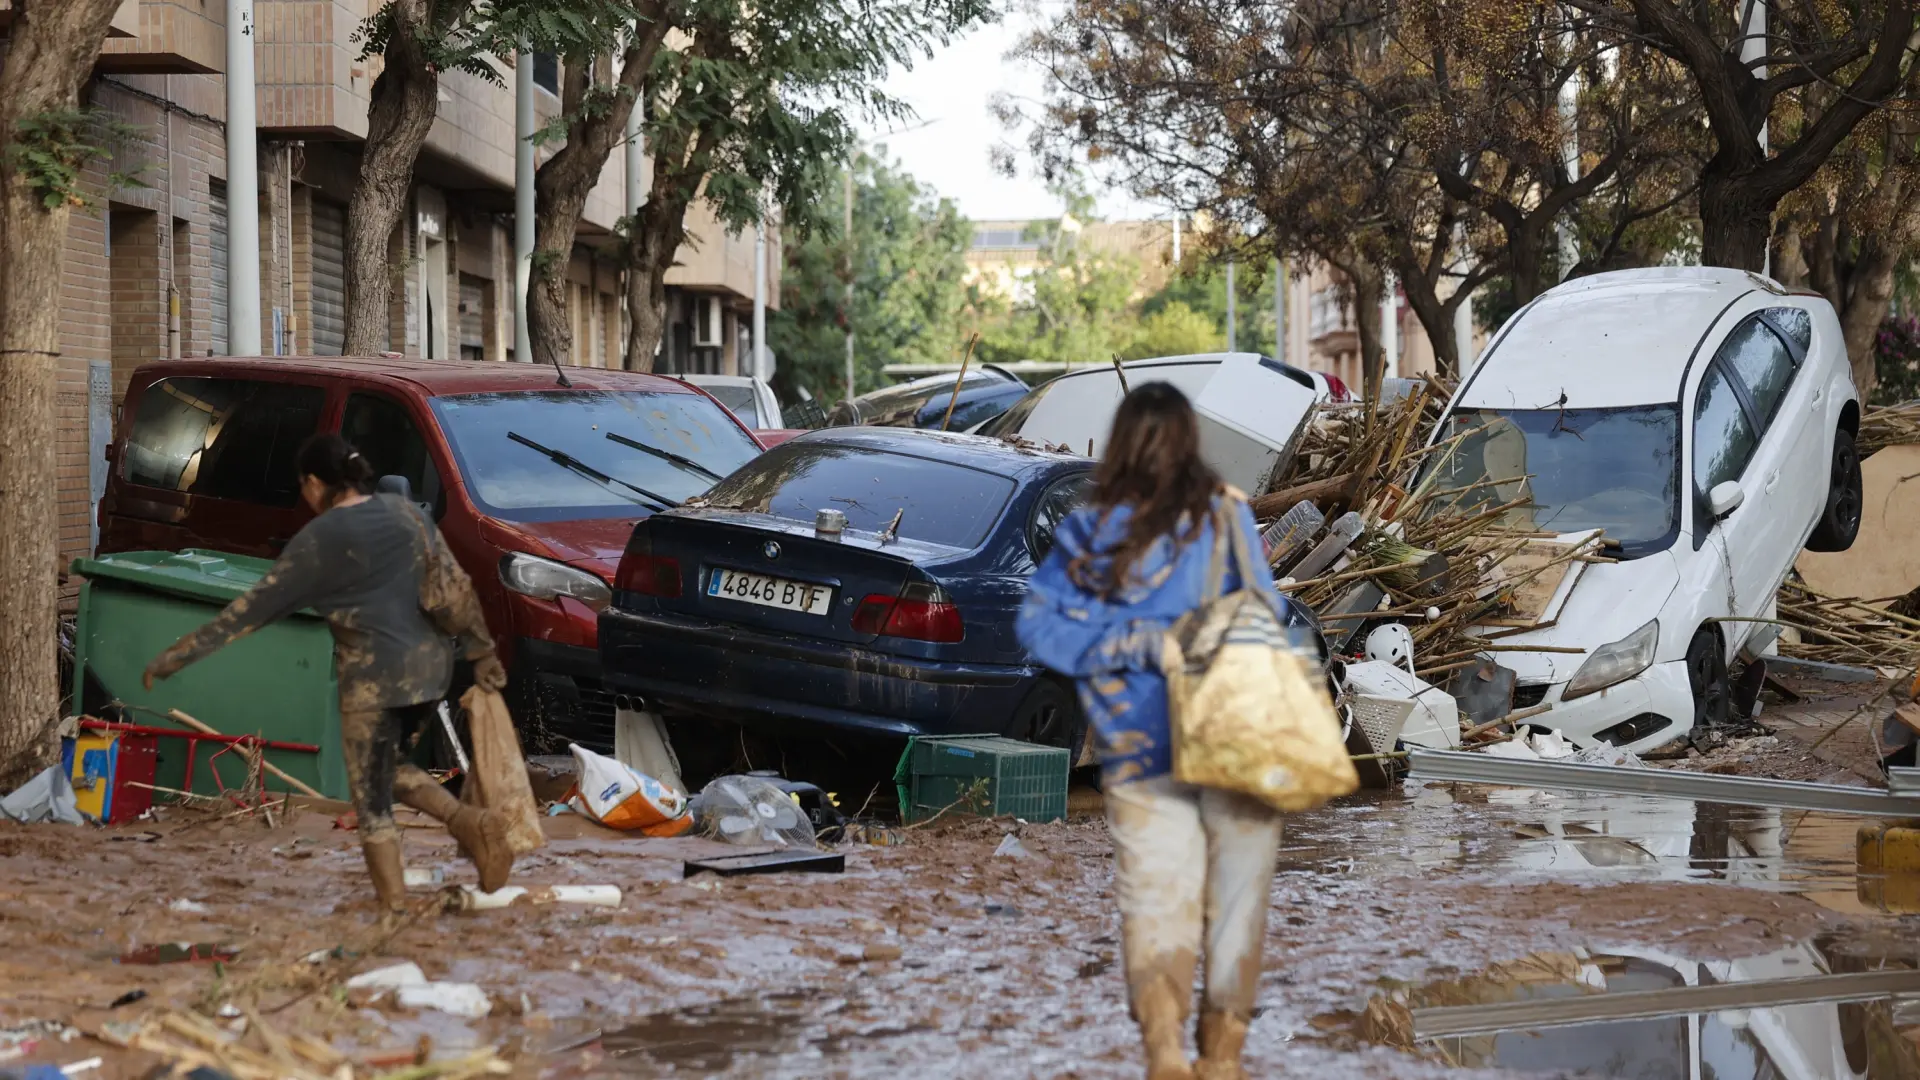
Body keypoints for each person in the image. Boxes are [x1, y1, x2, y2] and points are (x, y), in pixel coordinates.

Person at [1017, 383, 1285, 1080]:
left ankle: (1167, 1053)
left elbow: (1042, 628)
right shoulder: (1227, 515)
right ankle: (1219, 1060)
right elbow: (1269, 612)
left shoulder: (1095, 526)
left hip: (1139, 752)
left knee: (1160, 906)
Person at [143, 434, 515, 918]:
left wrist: (176, 656)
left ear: (317, 484)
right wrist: (483, 652)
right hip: (430, 670)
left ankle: (397, 904)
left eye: (304, 486)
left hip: (373, 680)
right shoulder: (406, 514)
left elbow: (249, 611)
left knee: (371, 798)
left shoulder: (318, 540)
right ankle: (466, 825)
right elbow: (453, 591)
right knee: (389, 770)